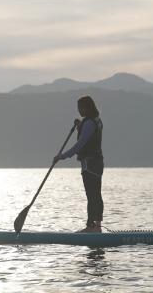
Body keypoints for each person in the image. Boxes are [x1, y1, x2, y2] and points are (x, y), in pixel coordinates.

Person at [54, 96, 104, 233]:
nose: (79, 111)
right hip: (98, 163)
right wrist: (79, 127)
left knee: (91, 195)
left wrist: (61, 156)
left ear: (87, 108)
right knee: (96, 194)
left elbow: (80, 145)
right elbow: (88, 137)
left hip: (90, 164)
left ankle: (91, 227)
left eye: (81, 108)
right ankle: (97, 226)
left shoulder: (89, 123)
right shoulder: (96, 121)